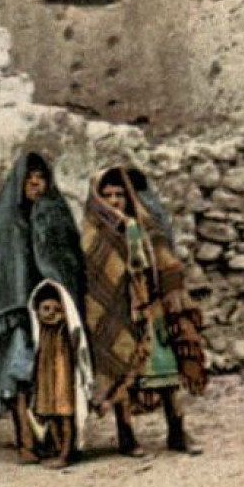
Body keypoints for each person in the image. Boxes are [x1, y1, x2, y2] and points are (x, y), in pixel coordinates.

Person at [0, 153, 87, 457]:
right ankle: (25, 441)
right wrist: (16, 304)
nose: (35, 184)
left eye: (41, 179)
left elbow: (69, 261)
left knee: (57, 375)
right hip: (18, 314)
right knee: (19, 377)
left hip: (52, 313)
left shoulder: (55, 216)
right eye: (29, 179)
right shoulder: (7, 225)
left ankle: (57, 439)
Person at [80, 166, 206, 457]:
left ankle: (177, 431)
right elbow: (94, 282)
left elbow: (164, 260)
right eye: (107, 195)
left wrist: (169, 297)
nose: (114, 201)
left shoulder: (145, 226)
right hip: (115, 314)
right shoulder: (92, 236)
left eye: (120, 195)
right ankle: (127, 438)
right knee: (122, 370)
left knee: (167, 369)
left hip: (153, 310)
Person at [25, 281, 94, 469]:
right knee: (50, 416)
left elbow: (79, 348)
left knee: (64, 417)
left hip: (63, 380)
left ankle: (65, 454)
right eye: (45, 308)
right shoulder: (39, 334)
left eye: (57, 309)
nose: (51, 313)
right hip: (46, 380)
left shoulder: (65, 332)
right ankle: (57, 449)